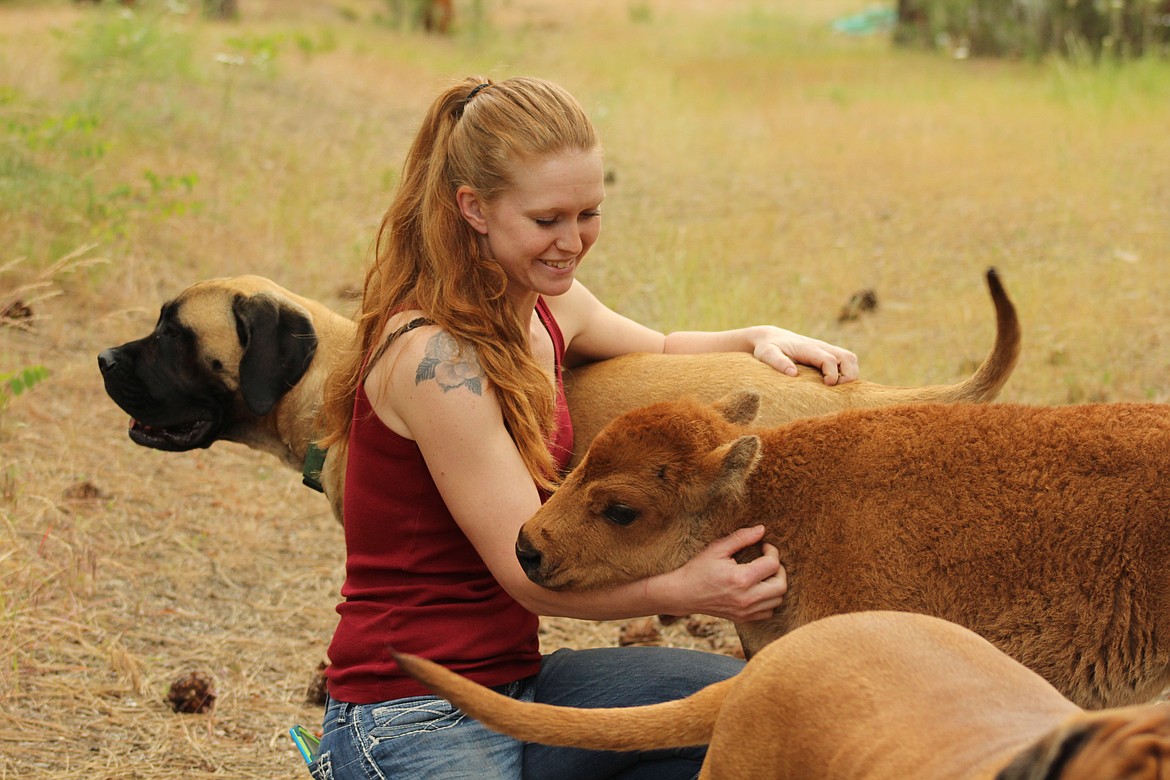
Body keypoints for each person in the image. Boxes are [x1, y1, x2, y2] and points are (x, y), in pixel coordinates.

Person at [313, 75, 859, 780]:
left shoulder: (546, 306)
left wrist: (758, 335)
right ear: (473, 208)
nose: (572, 242)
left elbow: (659, 345)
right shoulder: (435, 359)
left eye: (588, 213)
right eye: (547, 220)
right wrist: (689, 590)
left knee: (773, 708)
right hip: (408, 712)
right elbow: (528, 575)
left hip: (518, 681)